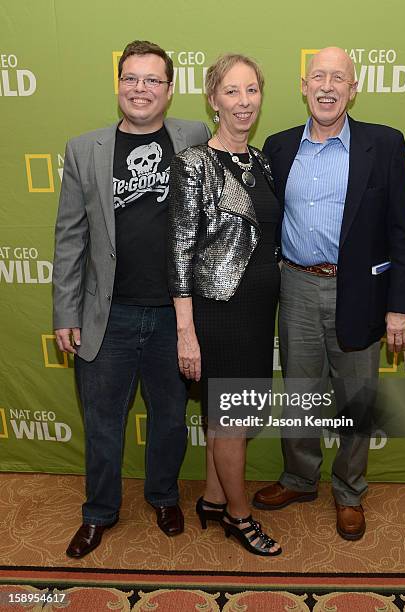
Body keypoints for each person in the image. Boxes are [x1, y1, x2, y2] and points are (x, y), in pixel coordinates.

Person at [53, 40, 210, 558]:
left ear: (169, 90)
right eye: (131, 79)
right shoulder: (84, 149)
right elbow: (71, 238)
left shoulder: (194, 136)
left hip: (174, 316)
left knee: (169, 419)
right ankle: (99, 512)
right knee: (102, 424)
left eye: (152, 80)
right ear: (118, 84)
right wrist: (66, 312)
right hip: (108, 316)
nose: (140, 89)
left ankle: (165, 497)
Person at [253, 47, 405, 541]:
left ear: (353, 89)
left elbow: (401, 232)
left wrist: (399, 306)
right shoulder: (278, 148)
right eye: (318, 77)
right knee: (301, 393)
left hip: (360, 290)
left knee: (356, 398)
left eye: (338, 78)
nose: (327, 87)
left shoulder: (384, 144)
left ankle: (349, 490)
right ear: (303, 86)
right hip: (296, 285)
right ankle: (301, 479)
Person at [168, 54, 282, 556]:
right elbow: (178, 252)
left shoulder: (260, 161)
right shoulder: (194, 163)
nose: (243, 102)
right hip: (218, 315)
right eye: (231, 92)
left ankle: (213, 499)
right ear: (213, 99)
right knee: (231, 420)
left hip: (258, 313)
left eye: (251, 90)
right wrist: (186, 332)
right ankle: (240, 517)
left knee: (226, 417)